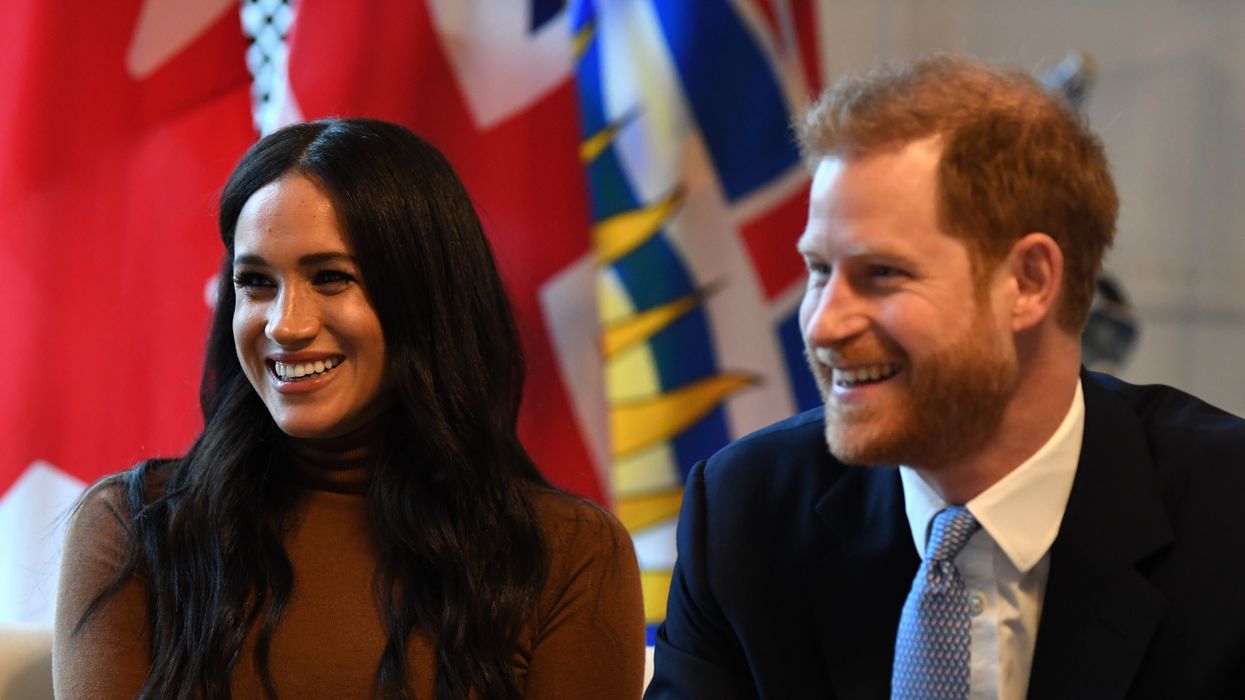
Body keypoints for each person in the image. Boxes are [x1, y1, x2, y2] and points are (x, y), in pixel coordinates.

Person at [646, 54, 1245, 699]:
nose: (822, 325)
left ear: (1029, 282)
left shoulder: (1228, 516)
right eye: (820, 270)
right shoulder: (746, 514)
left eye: (882, 275)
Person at [54, 118, 645, 700]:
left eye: (332, 277)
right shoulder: (135, 530)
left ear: (427, 298)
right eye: (256, 282)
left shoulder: (568, 553)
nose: (286, 325)